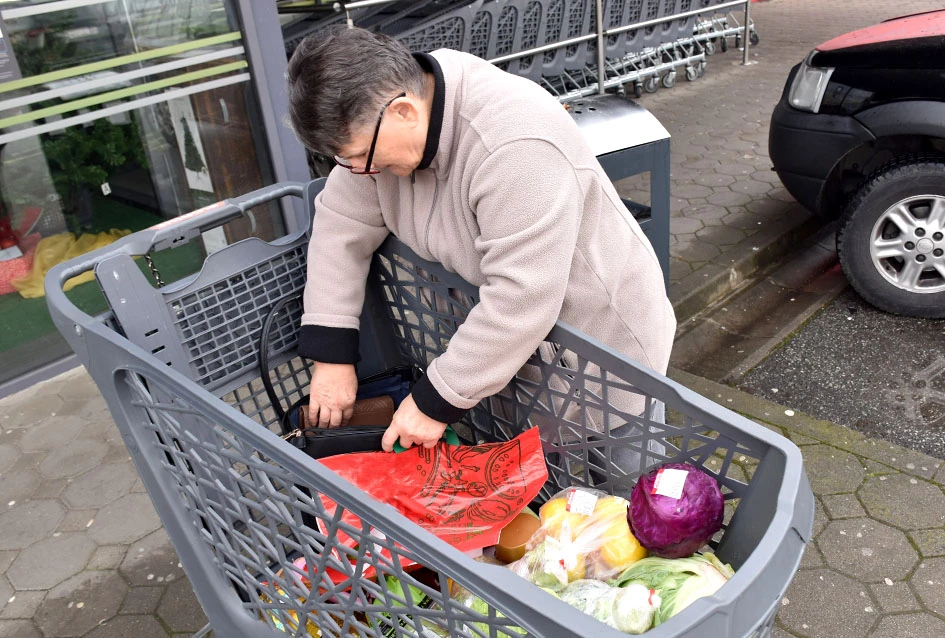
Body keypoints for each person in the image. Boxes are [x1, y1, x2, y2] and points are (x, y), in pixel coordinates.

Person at [285, 26, 676, 453]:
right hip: (509, 363)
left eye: (360, 155)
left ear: (403, 112)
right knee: (541, 498)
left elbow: (521, 297)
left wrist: (435, 400)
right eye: (345, 159)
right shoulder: (382, 125)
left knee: (629, 498)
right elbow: (341, 224)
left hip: (600, 353)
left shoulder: (514, 144)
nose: (359, 170)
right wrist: (333, 356)